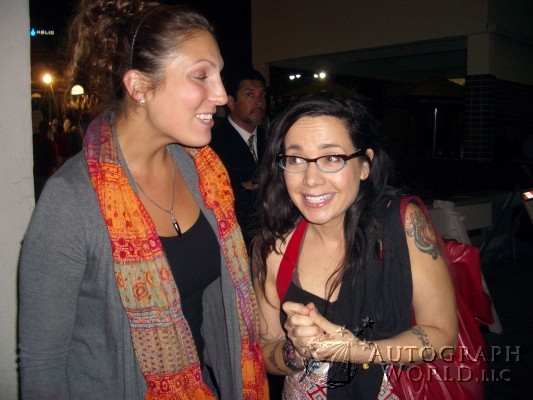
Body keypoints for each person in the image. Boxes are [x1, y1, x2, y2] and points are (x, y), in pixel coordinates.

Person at [18, 1, 268, 399]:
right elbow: (42, 364)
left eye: (219, 76)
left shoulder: (202, 173)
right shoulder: (71, 200)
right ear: (139, 87)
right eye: (201, 76)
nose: (222, 95)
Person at [251, 94, 458, 399]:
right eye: (295, 159)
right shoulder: (273, 251)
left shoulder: (402, 225)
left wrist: (357, 351)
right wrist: (297, 350)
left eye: (332, 158)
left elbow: (443, 336)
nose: (311, 179)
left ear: (364, 166)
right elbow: (265, 351)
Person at [209, 68, 268, 250]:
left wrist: (250, 185)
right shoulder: (212, 144)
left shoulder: (273, 139)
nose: (259, 102)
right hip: (235, 243)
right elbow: (226, 199)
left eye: (262, 95)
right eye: (250, 95)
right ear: (231, 102)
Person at [32, 119, 59, 201]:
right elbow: (54, 162)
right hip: (46, 175)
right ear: (48, 131)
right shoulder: (50, 144)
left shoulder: (34, 141)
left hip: (35, 174)